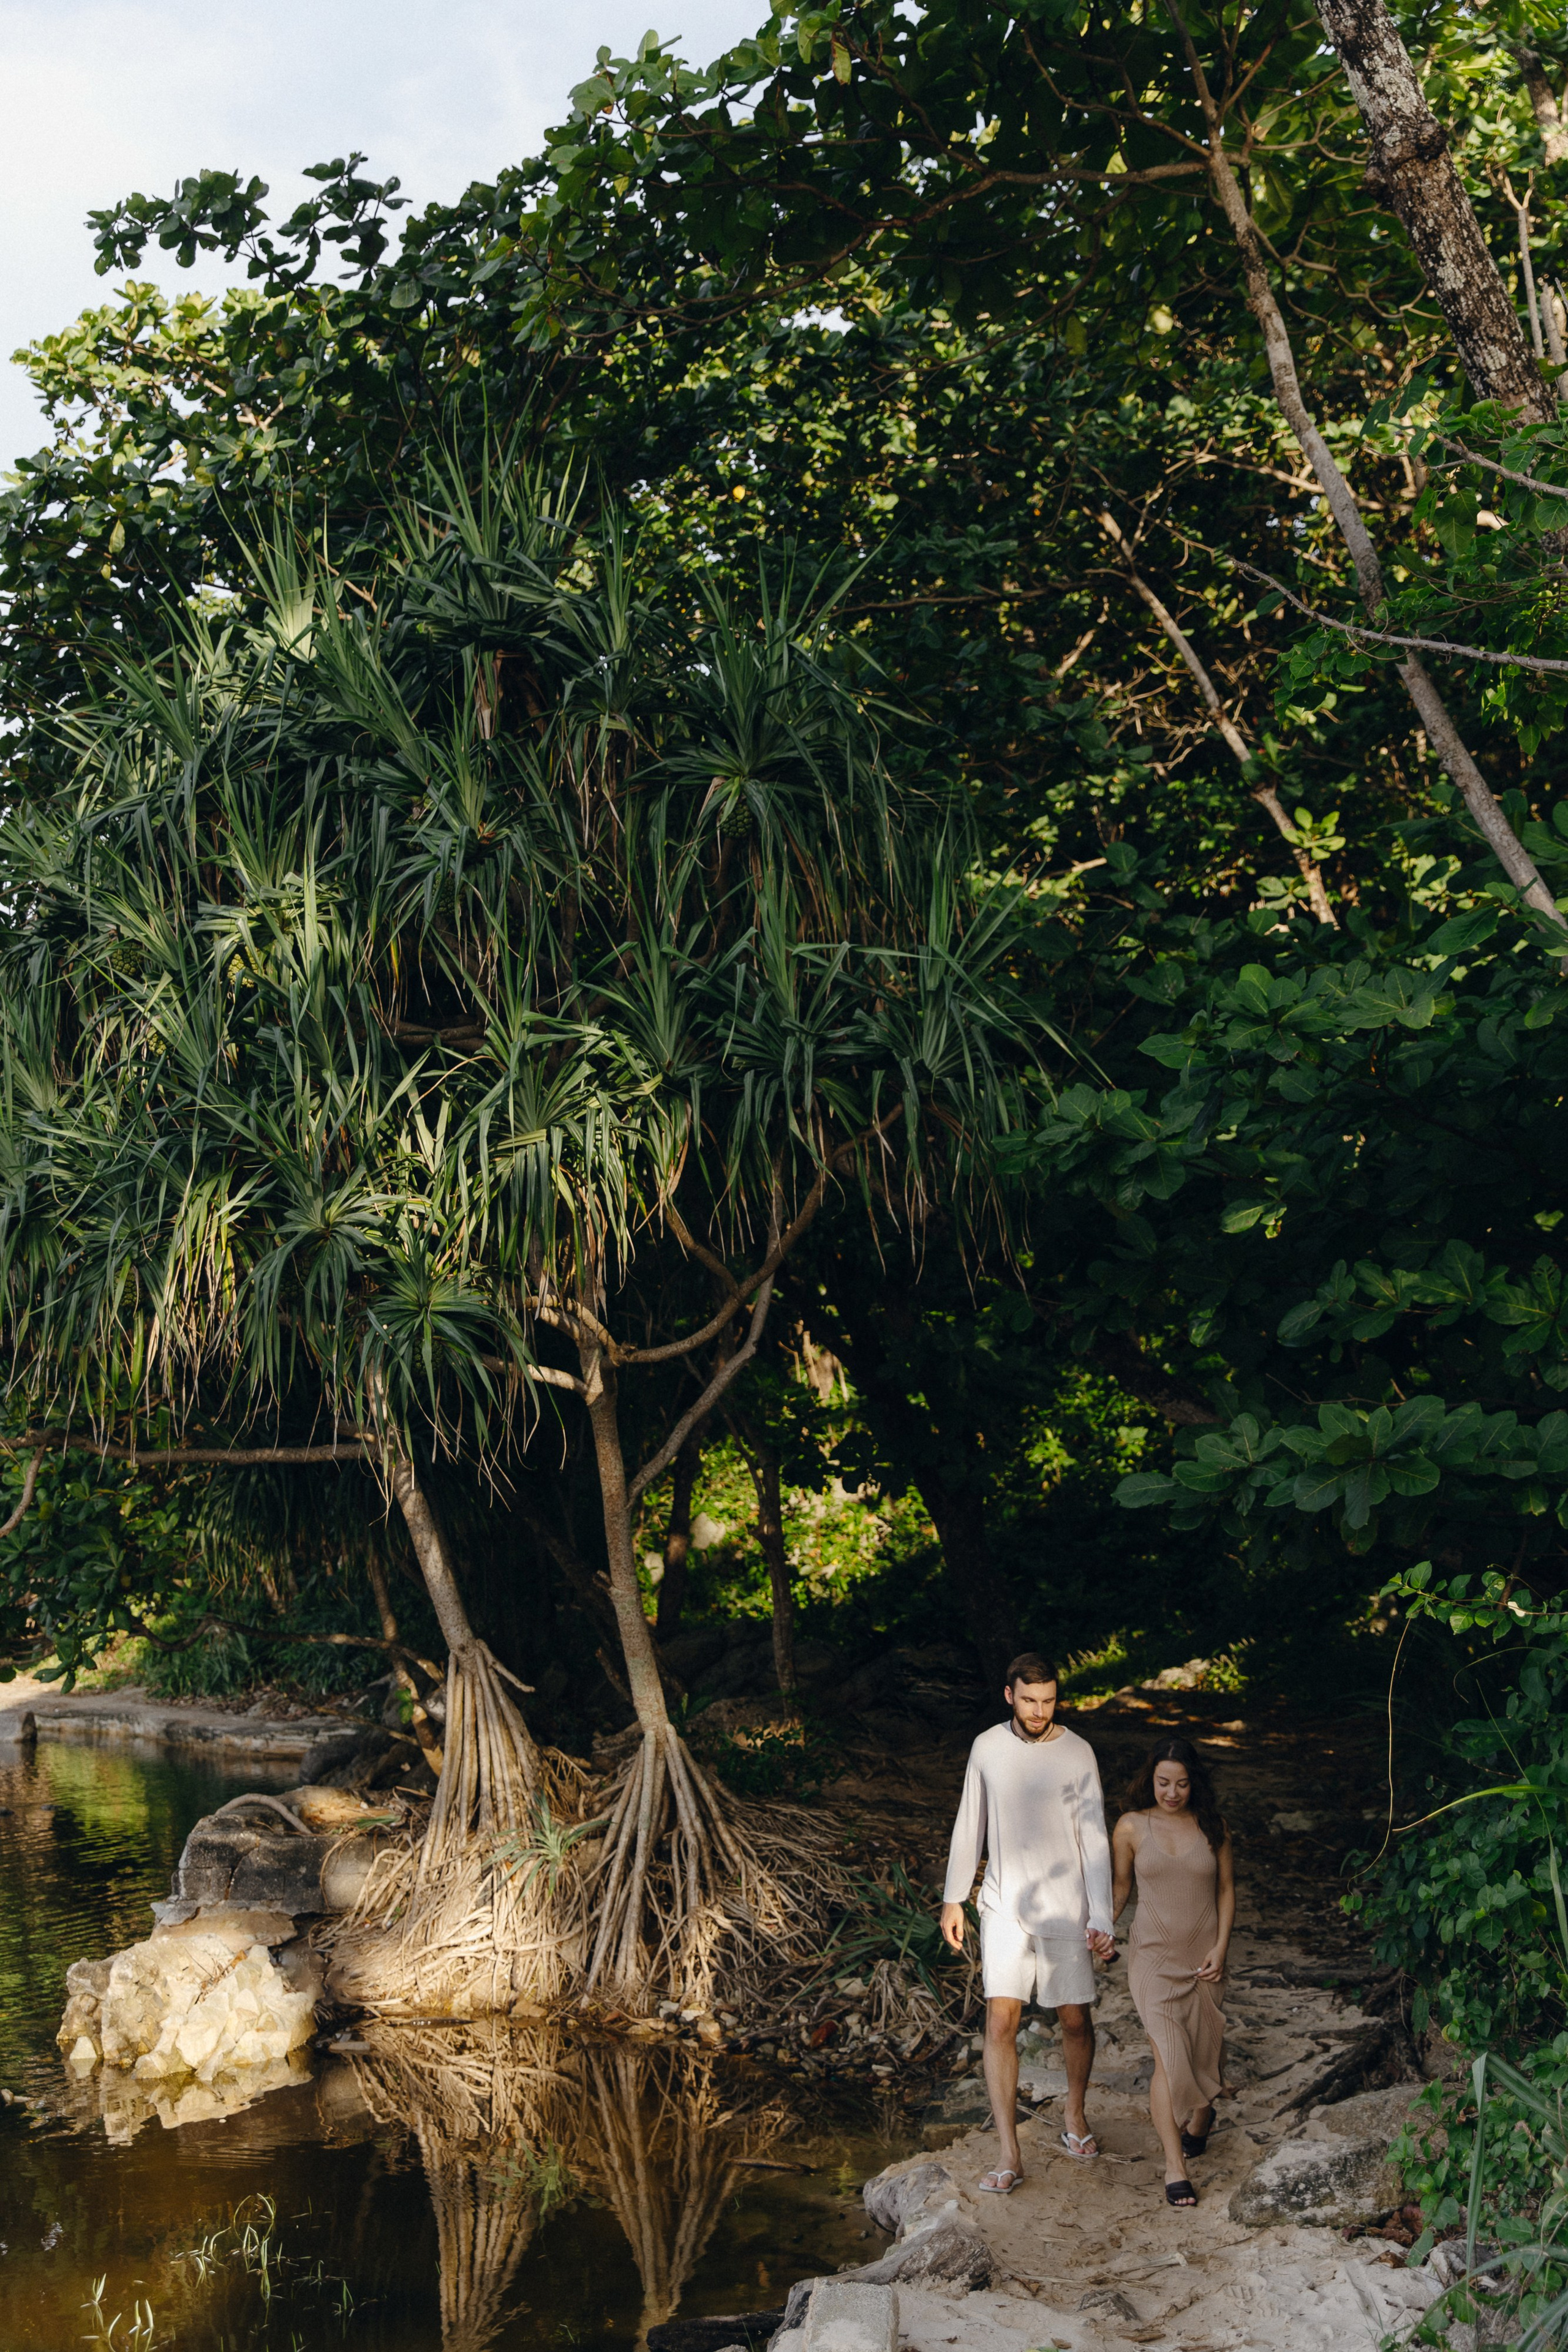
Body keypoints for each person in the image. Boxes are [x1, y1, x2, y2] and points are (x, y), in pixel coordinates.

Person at [940, 1653, 1115, 2193]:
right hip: (1002, 1902)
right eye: (1031, 1700)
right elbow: (971, 1821)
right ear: (1010, 1695)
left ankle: (1075, 2115)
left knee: (1075, 2021)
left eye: (1049, 1701)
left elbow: (1095, 1837)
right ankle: (1009, 2151)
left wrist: (1102, 1911)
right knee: (1000, 2022)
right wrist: (954, 1898)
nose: (1040, 1711)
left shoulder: (1078, 1752)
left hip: (1067, 1906)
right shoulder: (988, 1748)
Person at [1110, 1737, 1235, 2209]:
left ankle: (1203, 2115)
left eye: (1182, 1784)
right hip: (1153, 1961)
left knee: (1204, 2048)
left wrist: (1221, 1948)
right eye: (1164, 1782)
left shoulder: (1214, 1827)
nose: (1172, 1792)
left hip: (1205, 1960)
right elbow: (1121, 1889)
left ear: (1194, 1784)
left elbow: (1225, 1891)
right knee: (1168, 2053)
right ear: (1151, 1780)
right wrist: (1103, 1928)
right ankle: (1174, 2167)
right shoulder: (1131, 1826)